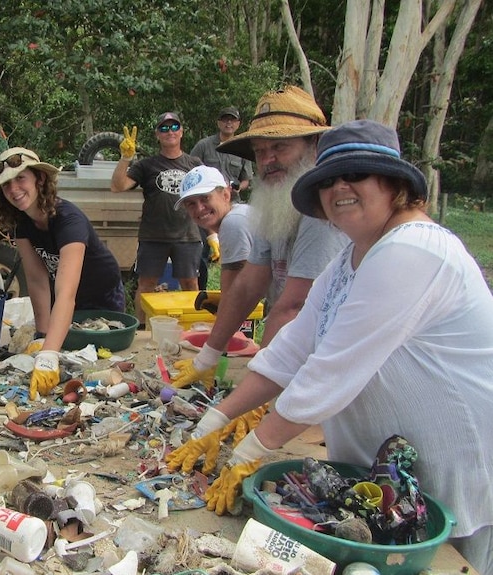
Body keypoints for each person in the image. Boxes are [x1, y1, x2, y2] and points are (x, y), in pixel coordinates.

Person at [168, 119, 493, 575]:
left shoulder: (415, 249)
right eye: (327, 180)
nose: (339, 188)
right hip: (388, 470)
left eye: (356, 175)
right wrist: (217, 418)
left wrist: (251, 449)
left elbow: (330, 371)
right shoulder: (351, 257)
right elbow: (291, 349)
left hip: (452, 464)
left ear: (395, 184)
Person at [170, 86, 348, 389]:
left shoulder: (321, 210)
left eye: (279, 147)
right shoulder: (277, 206)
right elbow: (247, 287)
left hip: (334, 370)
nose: (268, 161)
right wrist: (206, 358)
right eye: (260, 151)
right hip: (295, 362)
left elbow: (293, 307)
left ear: (314, 145)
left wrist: (254, 392)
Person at [0, 147, 124, 399]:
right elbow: (37, 280)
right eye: (6, 185)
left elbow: (66, 293)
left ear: (40, 178)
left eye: (21, 178)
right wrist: (42, 335)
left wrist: (48, 356)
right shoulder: (23, 224)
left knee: (97, 364)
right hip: (64, 302)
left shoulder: (69, 220)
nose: (13, 190)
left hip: (101, 300)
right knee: (61, 352)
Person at [110, 112, 202, 323]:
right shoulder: (147, 165)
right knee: (146, 284)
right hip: (153, 236)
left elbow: (210, 195)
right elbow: (117, 186)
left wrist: (215, 234)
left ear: (181, 132)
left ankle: (193, 327)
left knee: (190, 284)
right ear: (157, 135)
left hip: (187, 235)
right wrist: (125, 158)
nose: (169, 132)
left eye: (173, 127)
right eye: (163, 128)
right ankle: (141, 329)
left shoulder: (194, 163)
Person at [175, 165, 252, 293]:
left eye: (205, 198)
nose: (199, 208)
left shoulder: (233, 223)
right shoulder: (239, 215)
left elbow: (236, 293)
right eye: (191, 204)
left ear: (226, 195)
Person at [190, 106, 253, 201]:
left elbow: (246, 179)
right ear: (218, 122)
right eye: (225, 120)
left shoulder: (242, 148)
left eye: (232, 120)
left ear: (238, 123)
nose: (229, 123)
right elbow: (190, 171)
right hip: (208, 200)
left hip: (233, 201)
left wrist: (238, 187)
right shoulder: (203, 145)